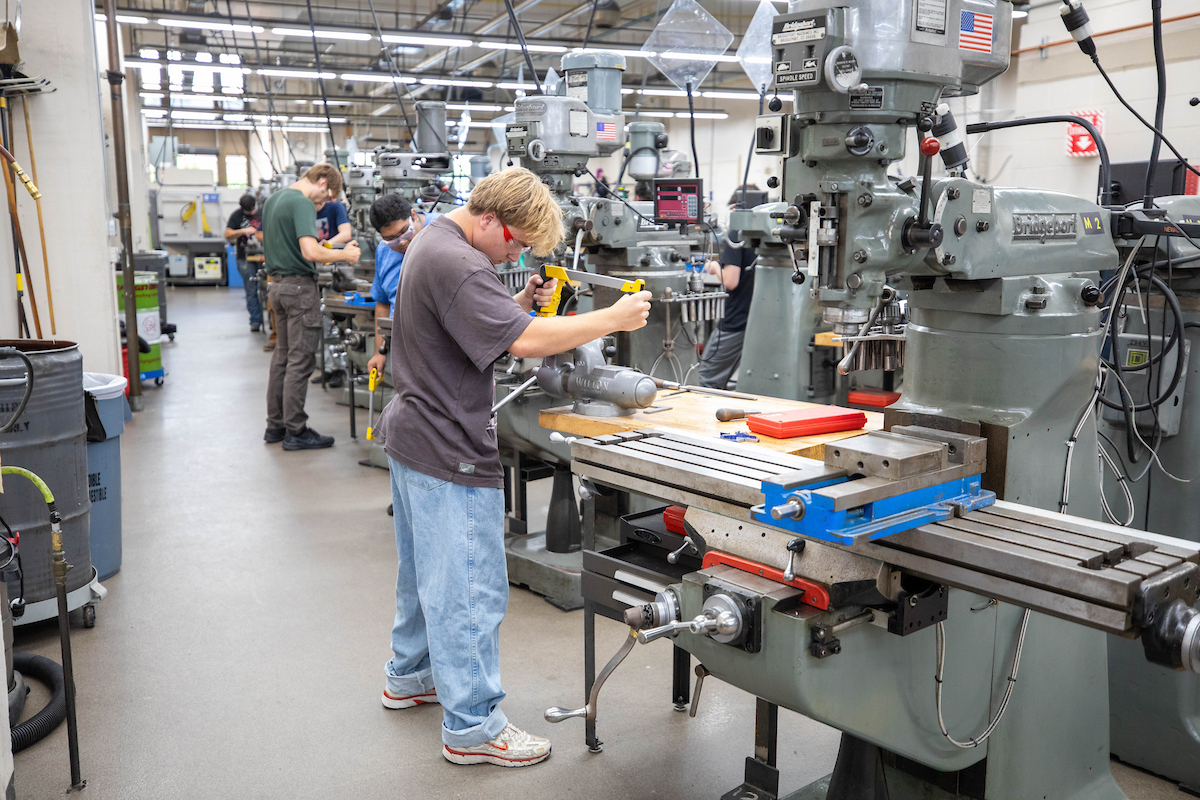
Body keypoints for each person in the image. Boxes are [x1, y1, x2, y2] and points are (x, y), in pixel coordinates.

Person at [378, 167, 651, 767]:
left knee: (426, 575)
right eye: (517, 242)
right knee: (469, 589)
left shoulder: (434, 239)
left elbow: (483, 325)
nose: (517, 253)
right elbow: (524, 343)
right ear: (489, 219)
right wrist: (612, 318)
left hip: (413, 433)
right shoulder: (461, 262)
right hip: (447, 445)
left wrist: (517, 306)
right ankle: (474, 728)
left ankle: (411, 675)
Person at [261, 163, 361, 451]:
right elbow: (309, 251)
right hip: (298, 290)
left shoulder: (273, 200)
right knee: (300, 360)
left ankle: (275, 425)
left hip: (277, 287)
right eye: (326, 196)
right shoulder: (301, 202)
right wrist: (346, 254)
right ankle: (296, 430)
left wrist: (328, 248)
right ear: (321, 181)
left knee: (282, 358)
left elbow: (297, 246)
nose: (323, 204)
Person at [698, 186, 760, 390]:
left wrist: (715, 267)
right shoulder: (766, 233)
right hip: (757, 321)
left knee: (706, 379)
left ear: (735, 208)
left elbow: (731, 280)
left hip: (736, 321)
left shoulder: (736, 234)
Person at [365, 193, 422, 377]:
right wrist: (379, 351)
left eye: (405, 232)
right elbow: (383, 302)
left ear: (413, 215)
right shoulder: (384, 250)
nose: (403, 242)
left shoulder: (444, 232)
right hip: (402, 345)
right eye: (392, 239)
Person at [224, 194, 262, 331]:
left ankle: (273, 322)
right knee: (251, 289)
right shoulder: (237, 216)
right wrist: (243, 231)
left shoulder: (263, 212)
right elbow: (227, 234)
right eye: (248, 211)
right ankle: (255, 321)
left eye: (252, 209)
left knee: (269, 289)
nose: (251, 213)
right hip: (245, 257)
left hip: (264, 256)